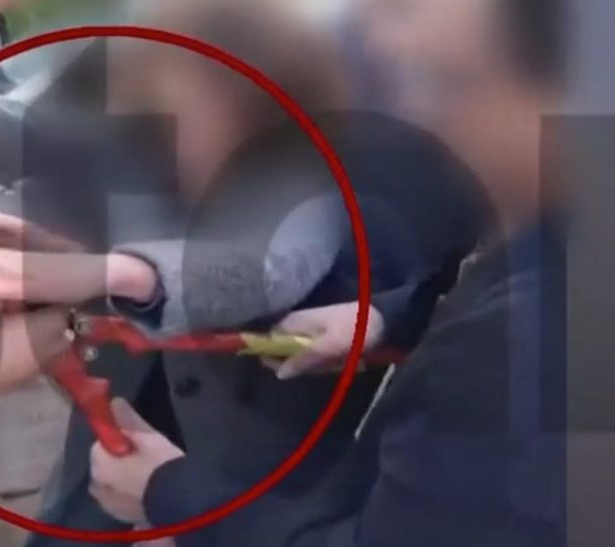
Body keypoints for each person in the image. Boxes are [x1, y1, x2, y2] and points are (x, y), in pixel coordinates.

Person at [0, 0, 486, 542]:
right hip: (128, 393)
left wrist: (108, 272)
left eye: (187, 111)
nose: (156, 133)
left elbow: (262, 269)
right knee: (74, 520)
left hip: (257, 438)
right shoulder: (127, 137)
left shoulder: (311, 172)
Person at [87, 0, 568, 545]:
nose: (421, 113)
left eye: (453, 82)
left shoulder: (522, 345)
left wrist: (169, 492)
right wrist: (383, 318)